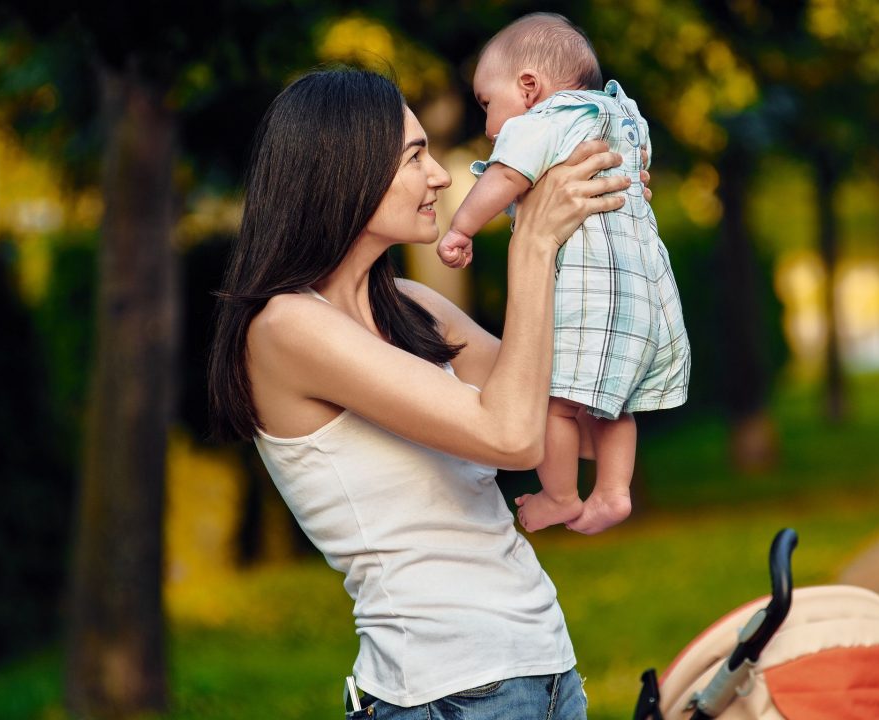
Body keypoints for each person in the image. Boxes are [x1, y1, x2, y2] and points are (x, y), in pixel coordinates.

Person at [207, 67, 636, 719]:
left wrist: (586, 228)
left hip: (545, 673)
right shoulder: (286, 328)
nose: (440, 176)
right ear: (343, 169)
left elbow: (575, 415)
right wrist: (533, 245)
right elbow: (512, 437)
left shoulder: (412, 307)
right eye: (414, 157)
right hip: (446, 695)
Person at [437, 13, 691, 535]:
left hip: (591, 293)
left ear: (529, 88)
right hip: (647, 296)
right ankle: (615, 493)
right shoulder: (622, 117)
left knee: (554, 403)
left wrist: (461, 226)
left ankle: (559, 495)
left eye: (489, 104)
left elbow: (507, 174)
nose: (488, 127)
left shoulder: (544, 121)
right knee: (612, 405)